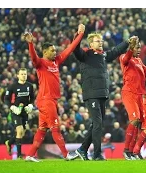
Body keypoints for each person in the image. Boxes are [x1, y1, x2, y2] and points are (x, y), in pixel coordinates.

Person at [23, 24, 85, 162]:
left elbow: (69, 49)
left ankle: (30, 155)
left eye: (55, 50)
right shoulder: (40, 63)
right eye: (52, 51)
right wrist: (31, 44)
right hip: (46, 100)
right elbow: (33, 58)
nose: (55, 52)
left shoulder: (56, 61)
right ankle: (66, 154)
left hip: (50, 100)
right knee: (55, 127)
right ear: (45, 52)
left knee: (42, 129)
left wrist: (80, 34)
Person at [72, 31, 138, 161]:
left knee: (96, 124)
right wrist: (79, 34)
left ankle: (82, 150)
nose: (101, 42)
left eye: (101, 41)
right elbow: (75, 48)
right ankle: (97, 154)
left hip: (102, 94)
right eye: (98, 41)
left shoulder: (103, 55)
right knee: (97, 123)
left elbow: (115, 51)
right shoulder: (85, 54)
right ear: (91, 44)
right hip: (91, 94)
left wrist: (127, 42)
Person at [119, 40, 146, 160]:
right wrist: (131, 48)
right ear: (132, 48)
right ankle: (126, 150)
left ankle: (132, 151)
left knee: (138, 123)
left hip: (139, 94)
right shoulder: (125, 57)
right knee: (134, 120)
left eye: (139, 48)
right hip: (129, 92)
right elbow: (125, 59)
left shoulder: (138, 60)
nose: (139, 50)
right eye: (137, 48)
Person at [4, 68, 34, 159]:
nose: (24, 75)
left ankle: (9, 143)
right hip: (16, 111)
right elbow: (6, 98)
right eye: (22, 74)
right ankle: (19, 155)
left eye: (25, 74)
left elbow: (32, 97)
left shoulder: (30, 86)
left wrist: (30, 105)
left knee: (22, 133)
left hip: (24, 111)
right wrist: (12, 107)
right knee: (20, 131)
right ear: (18, 75)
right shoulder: (12, 86)